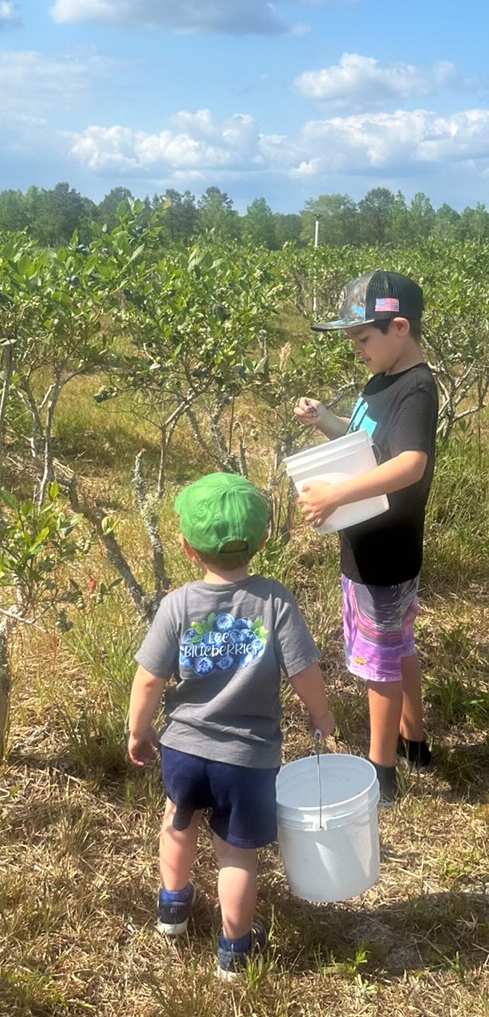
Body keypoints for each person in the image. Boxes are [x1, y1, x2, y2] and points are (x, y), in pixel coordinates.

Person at [128, 471, 335, 982]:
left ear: (185, 547)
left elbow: (150, 679)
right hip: (249, 758)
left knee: (178, 819)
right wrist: (321, 713)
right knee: (236, 855)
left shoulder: (177, 605)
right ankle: (234, 951)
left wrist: (138, 730)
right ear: (264, 539)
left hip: (183, 748)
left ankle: (172, 908)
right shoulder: (275, 600)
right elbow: (304, 670)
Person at [294, 270, 438, 806]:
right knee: (398, 647)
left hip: (385, 549)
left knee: (379, 661)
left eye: (362, 339)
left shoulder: (416, 387)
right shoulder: (381, 381)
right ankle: (414, 740)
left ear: (399, 327)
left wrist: (337, 495)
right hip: (367, 542)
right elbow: (366, 445)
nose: (357, 350)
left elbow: (409, 463)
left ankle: (382, 772)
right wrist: (326, 420)